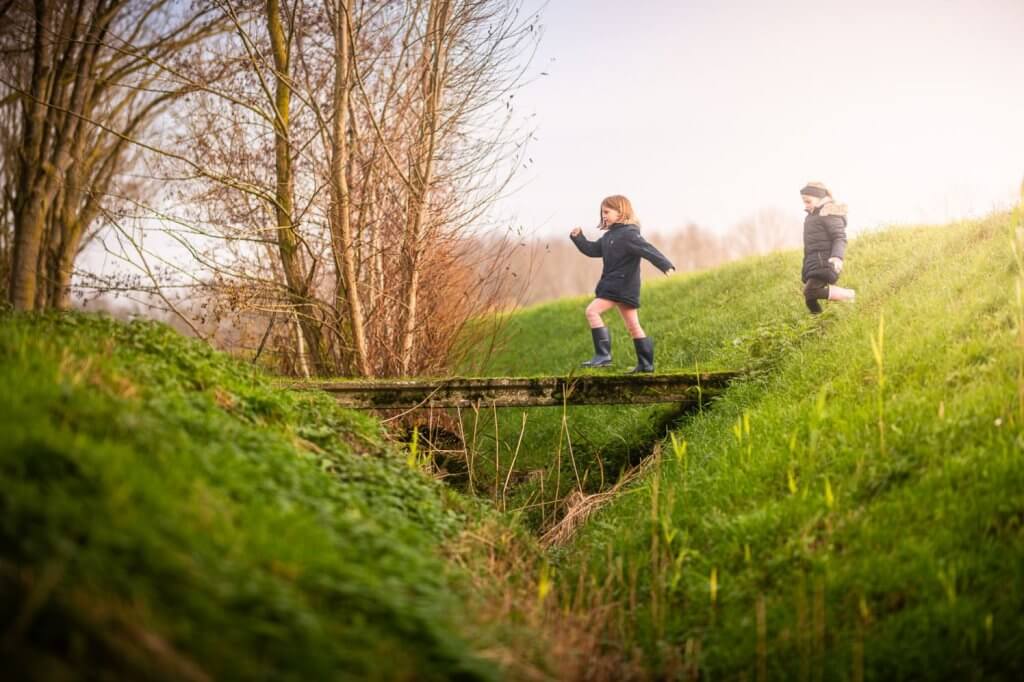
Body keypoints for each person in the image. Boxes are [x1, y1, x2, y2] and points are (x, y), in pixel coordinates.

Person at [570, 195, 675, 372]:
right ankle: (646, 365)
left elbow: (648, 250)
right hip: (623, 288)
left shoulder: (628, 234)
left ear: (621, 212)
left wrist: (665, 266)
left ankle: (603, 355)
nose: (603, 216)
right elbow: (592, 250)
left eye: (607, 212)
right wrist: (579, 238)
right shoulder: (609, 236)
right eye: (601, 212)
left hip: (618, 287)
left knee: (592, 311)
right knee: (634, 325)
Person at [799, 181, 856, 314]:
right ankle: (818, 322)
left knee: (811, 291)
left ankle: (849, 295)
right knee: (809, 297)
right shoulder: (812, 216)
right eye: (804, 202)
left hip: (826, 262)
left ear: (819, 198)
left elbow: (839, 237)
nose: (805, 205)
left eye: (808, 201)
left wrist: (837, 257)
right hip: (814, 262)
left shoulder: (828, 213)